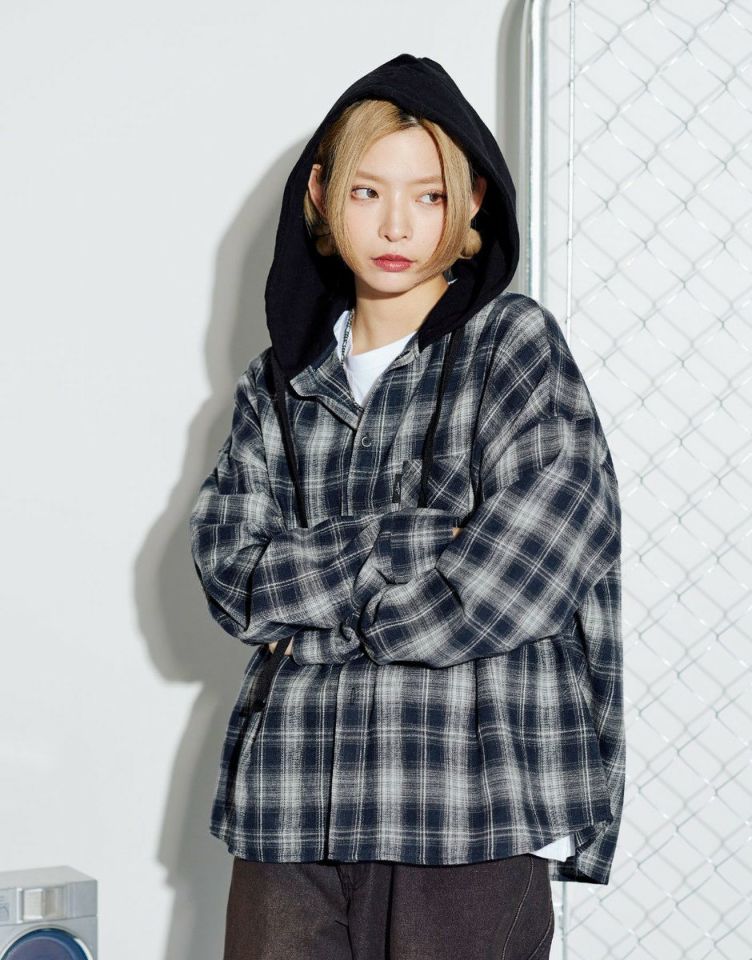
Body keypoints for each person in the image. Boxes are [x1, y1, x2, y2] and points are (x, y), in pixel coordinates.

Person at [189, 53, 624, 960]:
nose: (397, 225)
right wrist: (415, 539)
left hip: (468, 804)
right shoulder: (275, 386)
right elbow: (234, 573)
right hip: (293, 797)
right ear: (321, 195)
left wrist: (320, 626)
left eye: (428, 196)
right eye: (367, 192)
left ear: (470, 203)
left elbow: (529, 565)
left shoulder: (512, 344)